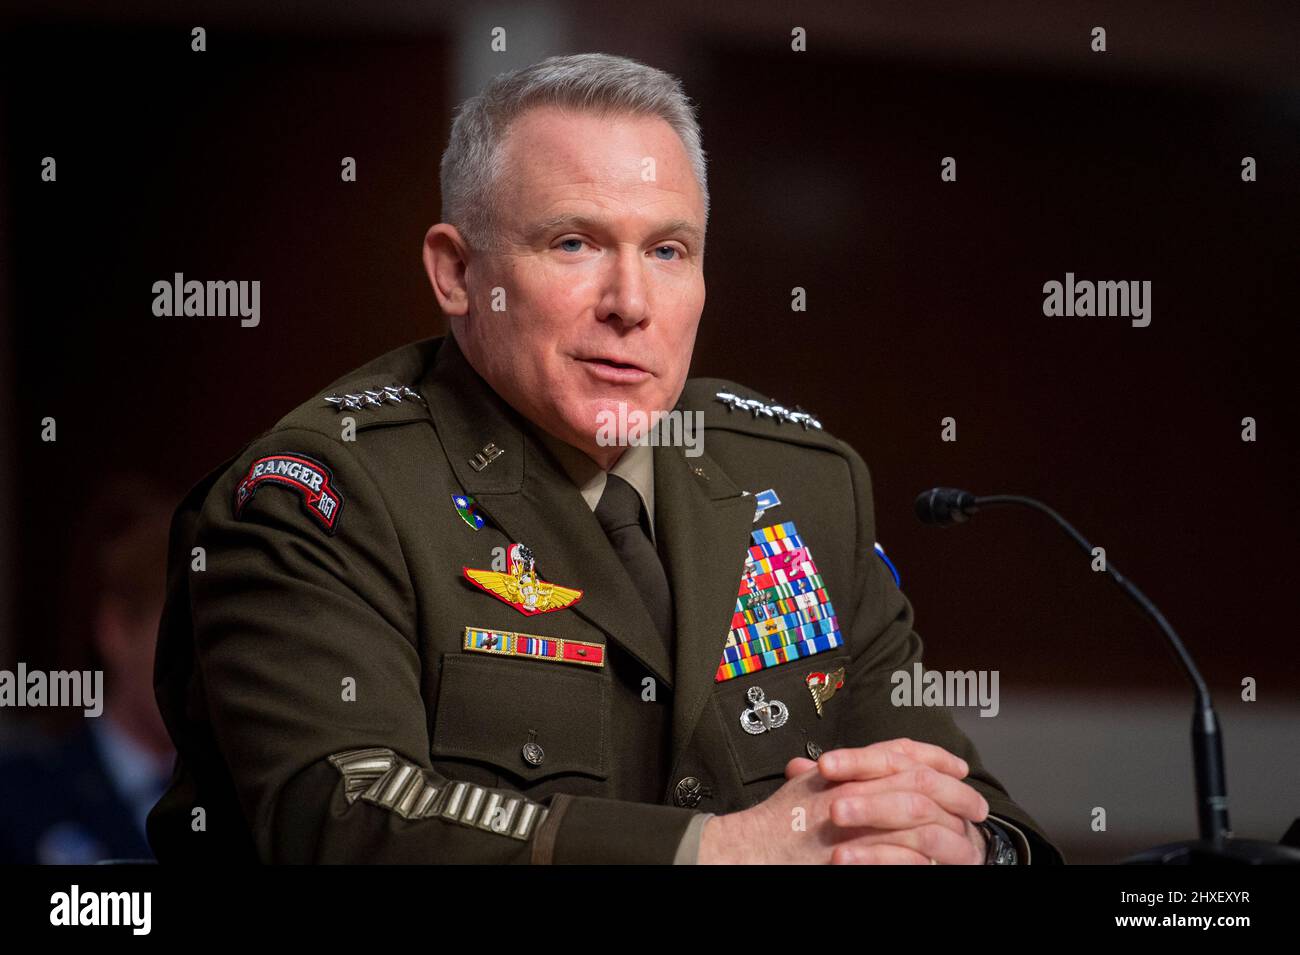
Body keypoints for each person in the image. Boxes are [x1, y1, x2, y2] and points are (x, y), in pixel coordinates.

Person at [148, 52, 1062, 865]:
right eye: (574, 243)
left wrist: (965, 847)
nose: (631, 302)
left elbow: (973, 802)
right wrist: (717, 852)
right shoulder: (329, 493)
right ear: (457, 274)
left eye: (668, 250)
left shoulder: (806, 482)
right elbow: (343, 820)